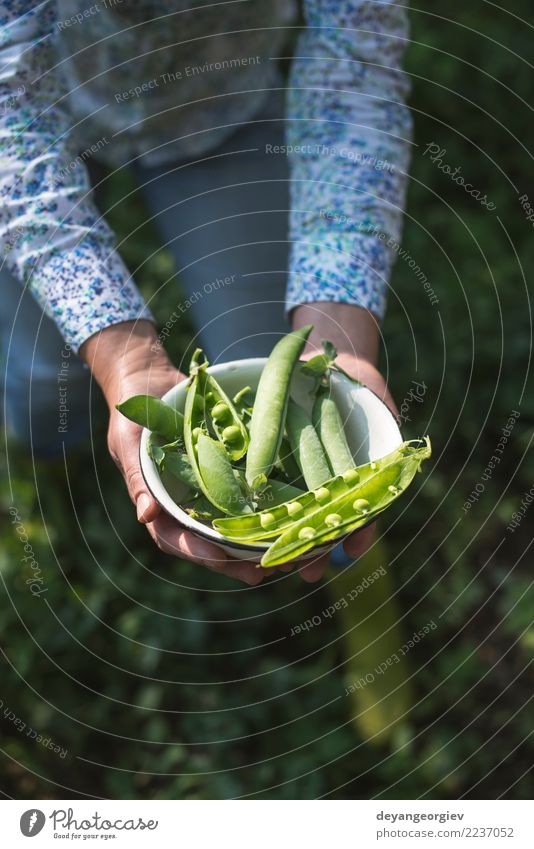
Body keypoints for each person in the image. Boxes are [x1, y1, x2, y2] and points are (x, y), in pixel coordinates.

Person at [0, 1, 411, 584]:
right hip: (45, 107)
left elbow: (357, 69)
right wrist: (124, 358)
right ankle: (52, 460)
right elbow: (8, 118)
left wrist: (339, 325)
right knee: (42, 375)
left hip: (220, 111)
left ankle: (297, 531)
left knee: (286, 371)